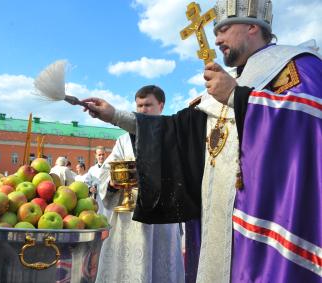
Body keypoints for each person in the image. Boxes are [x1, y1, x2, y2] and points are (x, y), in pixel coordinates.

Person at [82, 0, 322, 282]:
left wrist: (238, 97)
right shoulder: (227, 82)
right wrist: (114, 115)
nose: (217, 38)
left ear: (252, 27)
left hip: (263, 226)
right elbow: (173, 132)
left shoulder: (296, 67)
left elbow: (305, 124)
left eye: (225, 28)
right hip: (215, 224)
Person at [96, 85, 184, 283]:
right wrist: (112, 183)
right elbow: (106, 171)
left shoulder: (172, 135)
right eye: (139, 105)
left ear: (161, 105)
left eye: (148, 105)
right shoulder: (123, 140)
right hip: (128, 219)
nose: (142, 110)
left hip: (161, 220)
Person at [87, 146, 110, 217]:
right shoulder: (92, 169)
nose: (101, 157)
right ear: (96, 156)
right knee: (97, 218)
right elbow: (87, 182)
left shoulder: (110, 168)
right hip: (96, 199)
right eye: (99, 155)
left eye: (103, 154)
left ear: (105, 155)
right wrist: (90, 188)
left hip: (108, 199)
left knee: (107, 220)